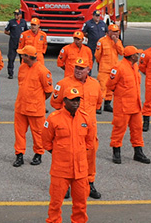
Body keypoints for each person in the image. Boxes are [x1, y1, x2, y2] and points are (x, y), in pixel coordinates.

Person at [51, 59, 104, 198]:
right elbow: (55, 103)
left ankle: (89, 183)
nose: (78, 71)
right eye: (76, 68)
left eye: (81, 68)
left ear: (88, 69)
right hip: (70, 129)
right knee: (68, 158)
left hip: (89, 130)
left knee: (90, 158)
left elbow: (98, 103)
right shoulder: (63, 84)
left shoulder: (95, 84)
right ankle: (66, 185)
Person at [42, 86, 95, 223]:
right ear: (64, 101)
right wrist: (60, 153)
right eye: (72, 100)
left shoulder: (86, 118)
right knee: (55, 203)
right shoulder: (54, 118)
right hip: (60, 170)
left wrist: (77, 153)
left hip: (80, 170)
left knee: (81, 204)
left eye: (77, 100)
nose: (75, 103)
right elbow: (46, 142)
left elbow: (90, 142)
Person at [106, 46, 150, 165]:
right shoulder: (119, 68)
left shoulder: (135, 66)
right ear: (131, 56)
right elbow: (110, 85)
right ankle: (116, 151)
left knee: (137, 129)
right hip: (123, 106)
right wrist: (120, 94)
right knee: (119, 129)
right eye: (136, 54)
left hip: (135, 105)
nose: (138, 56)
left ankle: (138, 152)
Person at [13, 45, 53, 167]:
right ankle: (19, 155)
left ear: (28, 57)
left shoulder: (43, 71)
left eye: (23, 55)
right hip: (21, 107)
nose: (21, 56)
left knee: (38, 133)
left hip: (35, 109)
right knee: (19, 133)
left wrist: (38, 100)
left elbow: (48, 91)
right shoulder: (22, 67)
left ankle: (38, 154)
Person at [95, 24, 123, 111]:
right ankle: (98, 106)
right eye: (114, 32)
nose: (116, 33)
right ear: (109, 32)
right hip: (104, 69)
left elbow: (122, 52)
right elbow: (97, 55)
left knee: (111, 88)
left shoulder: (118, 41)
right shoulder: (102, 41)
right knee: (102, 88)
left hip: (113, 69)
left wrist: (116, 42)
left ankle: (107, 104)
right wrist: (101, 64)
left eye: (117, 31)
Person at [4, 10, 27, 79]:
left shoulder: (24, 22)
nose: (16, 15)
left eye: (17, 14)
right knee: (11, 58)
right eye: (15, 14)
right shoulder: (11, 22)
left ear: (20, 15)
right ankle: (10, 73)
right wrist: (12, 35)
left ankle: (23, 73)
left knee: (22, 59)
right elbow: (6, 31)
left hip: (21, 44)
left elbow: (26, 31)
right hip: (13, 43)